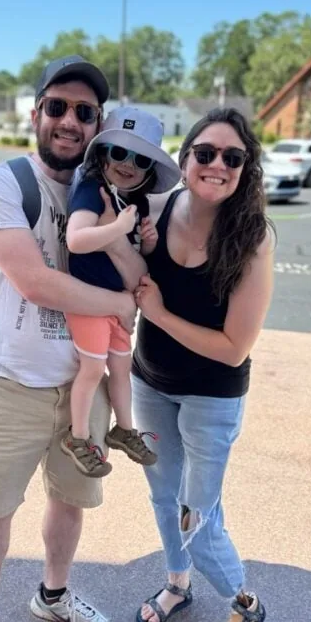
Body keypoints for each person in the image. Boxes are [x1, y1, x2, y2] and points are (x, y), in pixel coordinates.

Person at [0, 56, 143, 622]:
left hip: (80, 381)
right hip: (10, 379)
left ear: (98, 124)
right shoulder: (3, 184)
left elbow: (142, 270)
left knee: (70, 499)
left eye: (85, 112)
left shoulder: (107, 190)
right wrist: (119, 305)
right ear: (36, 114)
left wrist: (122, 248)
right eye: (57, 107)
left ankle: (53, 595)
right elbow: (34, 281)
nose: (69, 121)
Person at [131, 107, 275, 622]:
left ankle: (244, 599)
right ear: (186, 158)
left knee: (198, 512)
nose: (217, 165)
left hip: (212, 395)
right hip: (150, 383)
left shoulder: (253, 239)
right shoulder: (158, 211)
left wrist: (160, 314)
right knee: (163, 496)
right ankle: (177, 584)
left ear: (245, 170)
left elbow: (235, 346)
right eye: (206, 153)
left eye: (232, 158)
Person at [61, 107, 181, 478]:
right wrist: (118, 227)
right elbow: (77, 240)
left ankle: (124, 429)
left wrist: (145, 242)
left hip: (117, 306)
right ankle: (77, 436)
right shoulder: (92, 192)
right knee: (93, 368)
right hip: (90, 300)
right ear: (102, 154)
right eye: (119, 152)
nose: (128, 164)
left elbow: (134, 259)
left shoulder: (137, 202)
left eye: (141, 158)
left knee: (121, 368)